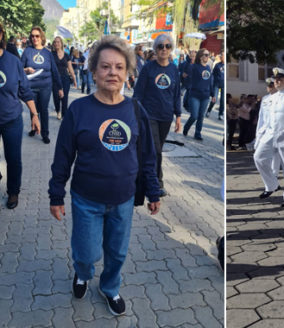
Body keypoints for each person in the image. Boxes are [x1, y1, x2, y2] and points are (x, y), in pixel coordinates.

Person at [48, 35, 161, 316]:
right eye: (105, 67)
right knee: (86, 254)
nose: (113, 72)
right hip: (86, 198)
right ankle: (82, 273)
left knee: (118, 254)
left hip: (122, 200)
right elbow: (63, 156)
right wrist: (56, 194)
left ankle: (110, 287)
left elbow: (148, 156)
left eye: (119, 67)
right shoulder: (79, 110)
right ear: (94, 71)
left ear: (127, 72)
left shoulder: (135, 110)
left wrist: (154, 190)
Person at [133, 34, 181, 197]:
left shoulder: (174, 69)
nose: (164, 49)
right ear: (155, 48)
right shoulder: (148, 68)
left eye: (167, 46)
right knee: (156, 150)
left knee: (155, 149)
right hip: (149, 114)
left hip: (166, 116)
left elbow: (176, 94)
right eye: (160, 46)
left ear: (171, 49)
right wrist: (135, 113)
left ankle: (147, 177)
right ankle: (157, 183)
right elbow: (138, 93)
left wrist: (178, 116)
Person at [0, 23, 41, 209]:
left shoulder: (13, 61)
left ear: (1, 35)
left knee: (13, 159)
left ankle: (13, 192)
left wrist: (34, 114)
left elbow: (24, 90)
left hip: (12, 119)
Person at [253, 68, 284, 206]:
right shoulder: (272, 98)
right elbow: (267, 118)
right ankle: (272, 185)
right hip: (271, 134)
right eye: (275, 80)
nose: (276, 82)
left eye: (279, 79)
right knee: (258, 157)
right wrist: (261, 136)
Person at [21, 26, 63, 144]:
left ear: (41, 37)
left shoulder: (47, 53)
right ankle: (34, 128)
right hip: (31, 86)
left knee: (43, 110)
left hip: (45, 86)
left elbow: (54, 71)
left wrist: (59, 87)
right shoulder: (27, 51)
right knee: (33, 110)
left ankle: (45, 133)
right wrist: (26, 70)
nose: (35, 38)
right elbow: (19, 67)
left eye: (37, 36)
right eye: (32, 36)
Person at [182, 48, 215, 140]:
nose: (208, 57)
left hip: (205, 95)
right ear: (200, 57)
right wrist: (190, 59)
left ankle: (198, 133)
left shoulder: (208, 68)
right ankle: (186, 127)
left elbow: (210, 82)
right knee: (194, 116)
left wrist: (213, 95)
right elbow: (186, 71)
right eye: (206, 55)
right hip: (195, 95)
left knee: (201, 116)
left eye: (208, 55)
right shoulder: (194, 66)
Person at [51, 36, 77, 121]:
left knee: (64, 98)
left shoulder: (66, 55)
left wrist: (74, 79)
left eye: (58, 42)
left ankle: (64, 116)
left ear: (61, 43)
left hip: (65, 79)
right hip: (55, 80)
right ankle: (58, 110)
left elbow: (70, 68)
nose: (56, 43)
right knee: (56, 97)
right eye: (55, 42)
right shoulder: (51, 55)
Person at [206, 53, 225, 120]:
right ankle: (209, 110)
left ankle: (220, 114)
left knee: (223, 100)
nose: (222, 57)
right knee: (214, 99)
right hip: (216, 84)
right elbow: (213, 75)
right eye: (222, 56)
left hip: (224, 85)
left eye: (223, 56)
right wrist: (212, 83)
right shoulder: (217, 65)